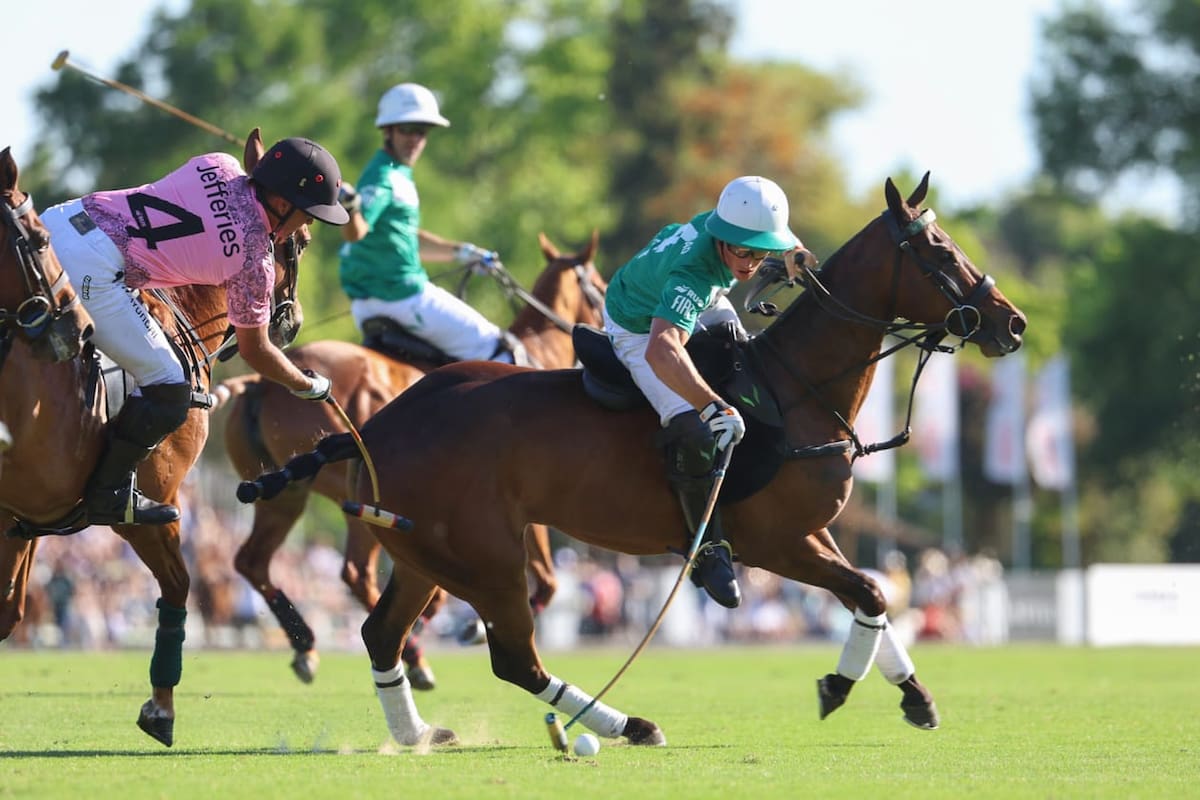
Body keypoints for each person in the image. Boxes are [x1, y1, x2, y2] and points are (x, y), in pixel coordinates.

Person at [41, 137, 349, 526]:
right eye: (307, 217)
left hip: (55, 222)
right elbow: (256, 351)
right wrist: (305, 385)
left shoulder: (218, 162)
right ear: (283, 204)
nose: (303, 226)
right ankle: (109, 494)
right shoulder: (256, 262)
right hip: (90, 272)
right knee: (171, 385)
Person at [602, 176, 808, 609]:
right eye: (742, 250)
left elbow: (782, 244)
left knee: (744, 358)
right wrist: (712, 406)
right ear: (721, 237)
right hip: (636, 325)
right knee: (695, 430)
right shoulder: (693, 272)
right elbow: (662, 349)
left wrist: (793, 256)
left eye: (761, 251)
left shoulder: (733, 232)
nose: (751, 264)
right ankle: (707, 549)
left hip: (698, 295)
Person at [336, 82, 523, 363]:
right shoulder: (384, 178)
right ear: (387, 131)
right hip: (402, 298)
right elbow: (356, 233)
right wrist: (350, 209)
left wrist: (465, 253)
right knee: (501, 350)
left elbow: (405, 238)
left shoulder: (395, 172)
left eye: (421, 131)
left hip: (372, 303)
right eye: (407, 129)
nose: (415, 139)